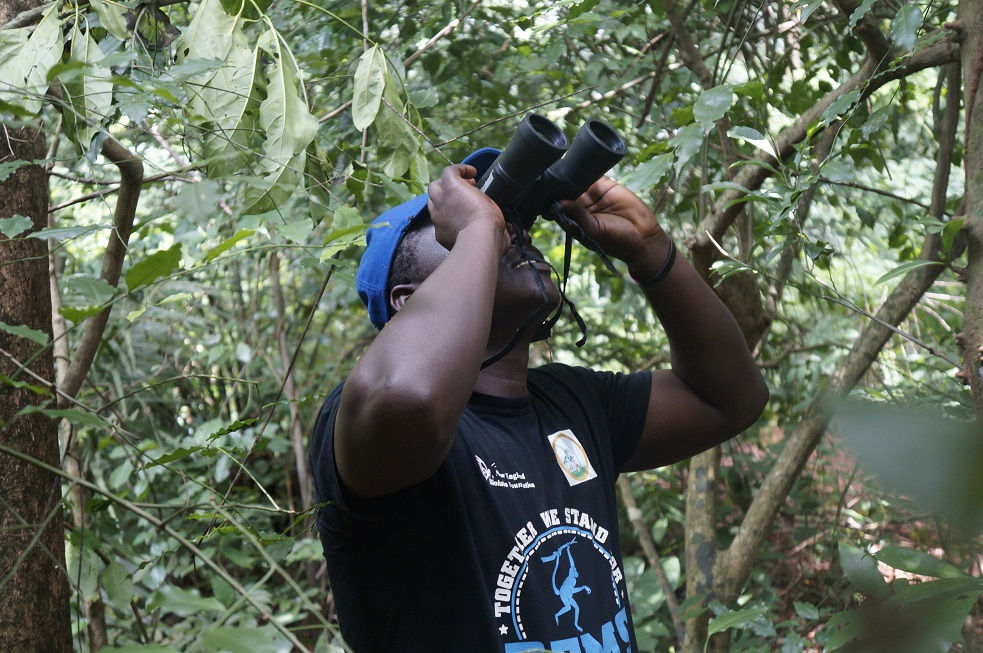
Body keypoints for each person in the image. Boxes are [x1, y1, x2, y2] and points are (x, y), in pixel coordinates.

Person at [308, 147, 768, 652]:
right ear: (407, 298)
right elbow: (407, 396)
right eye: (476, 220)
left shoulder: (574, 402)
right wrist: (479, 231)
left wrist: (650, 248)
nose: (510, 230)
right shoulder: (364, 423)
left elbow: (731, 399)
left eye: (512, 221)